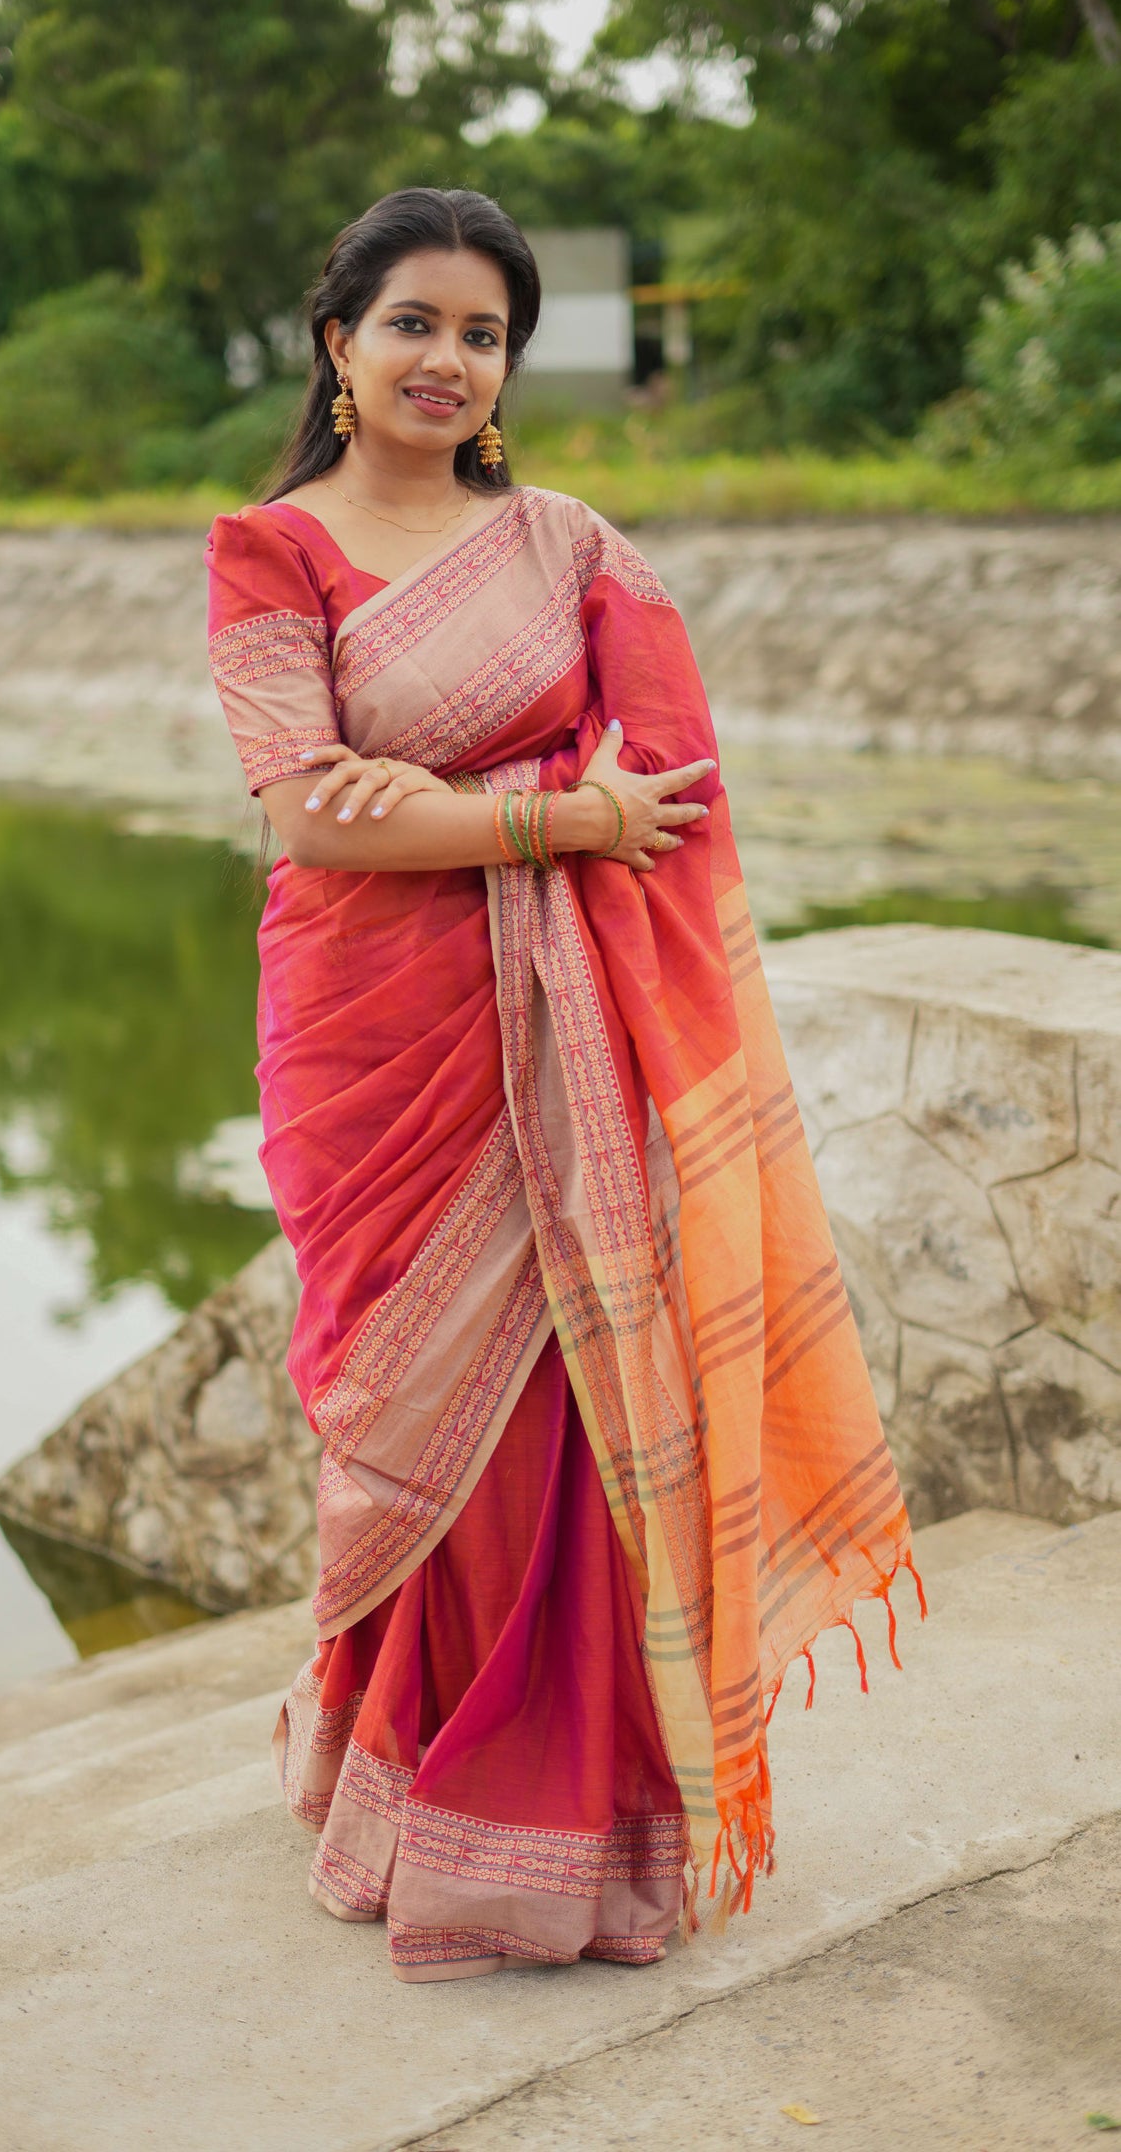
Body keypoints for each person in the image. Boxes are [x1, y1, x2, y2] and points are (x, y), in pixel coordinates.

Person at [204, 187, 921, 1985]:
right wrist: (547, 806)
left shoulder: (575, 547)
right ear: (338, 345)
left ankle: (561, 1828)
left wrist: (452, 806)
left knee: (562, 1439)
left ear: (508, 365)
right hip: (367, 1045)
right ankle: (395, 1781)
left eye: (481, 333)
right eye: (412, 324)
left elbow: (667, 783)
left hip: (575, 1043)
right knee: (400, 1420)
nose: (445, 360)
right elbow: (304, 807)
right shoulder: (267, 548)